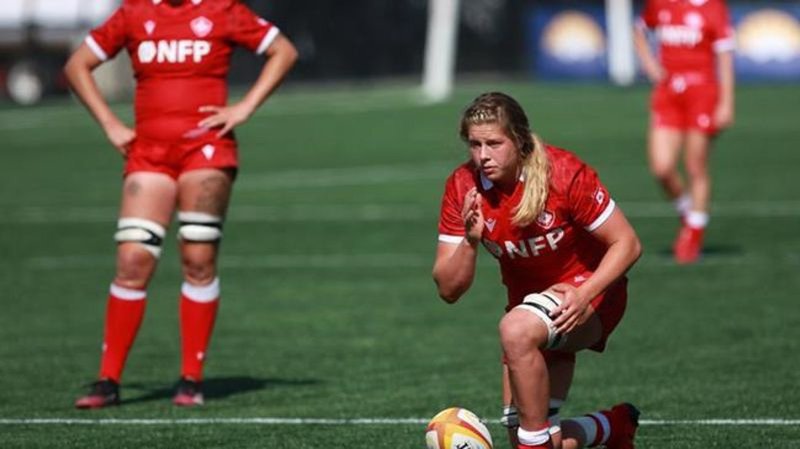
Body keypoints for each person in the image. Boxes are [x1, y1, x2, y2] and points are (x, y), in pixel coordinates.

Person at [65, 0, 297, 408]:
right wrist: (111, 124)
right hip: (148, 154)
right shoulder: (134, 12)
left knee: (198, 259)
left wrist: (244, 108)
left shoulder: (222, 9)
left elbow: (283, 51)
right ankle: (108, 381)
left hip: (207, 151)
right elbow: (77, 65)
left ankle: (191, 379)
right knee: (132, 260)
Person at [432, 92, 643, 449]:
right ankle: (611, 427)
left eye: (494, 144)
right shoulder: (463, 186)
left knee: (514, 330)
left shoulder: (563, 172)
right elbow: (448, 290)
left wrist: (584, 294)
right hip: (530, 313)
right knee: (526, 434)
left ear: (520, 140)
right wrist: (470, 241)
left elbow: (628, 243)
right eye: (475, 145)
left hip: (592, 296)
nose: (483, 156)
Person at [633, 0, 735, 264]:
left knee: (694, 165)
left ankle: (693, 234)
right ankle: (689, 214)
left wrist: (726, 102)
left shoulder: (713, 7)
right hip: (668, 93)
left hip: (702, 93)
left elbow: (724, 57)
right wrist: (648, 63)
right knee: (661, 167)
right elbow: (639, 29)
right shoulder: (660, 3)